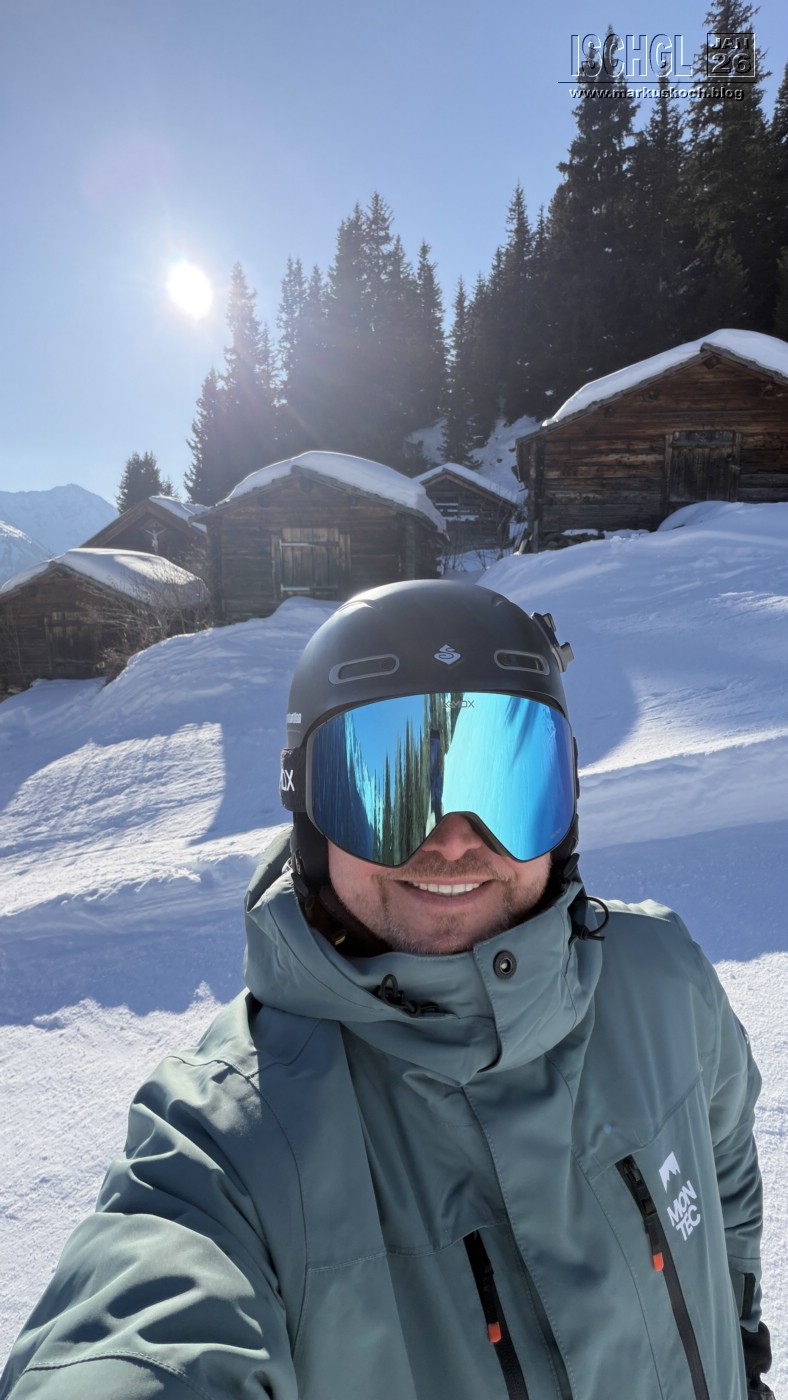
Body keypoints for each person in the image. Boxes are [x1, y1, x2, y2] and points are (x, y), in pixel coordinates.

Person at [1, 578, 774, 1399]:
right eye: (387, 791)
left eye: (505, 782)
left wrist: (742, 1343)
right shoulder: (231, 1145)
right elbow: (143, 1330)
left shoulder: (661, 977)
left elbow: (724, 1166)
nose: (453, 842)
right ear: (309, 812)